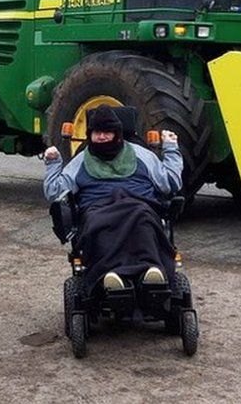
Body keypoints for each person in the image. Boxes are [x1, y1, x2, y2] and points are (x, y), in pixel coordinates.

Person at [43, 105, 183, 292]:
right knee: (97, 223)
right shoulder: (81, 161)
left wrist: (171, 150)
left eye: (107, 132)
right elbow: (55, 192)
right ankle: (109, 275)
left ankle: (151, 270)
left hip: (139, 204)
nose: (101, 137)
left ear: (117, 134)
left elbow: (170, 183)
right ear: (90, 135)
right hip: (97, 208)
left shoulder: (142, 155)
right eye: (96, 133)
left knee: (143, 218)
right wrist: (53, 163)